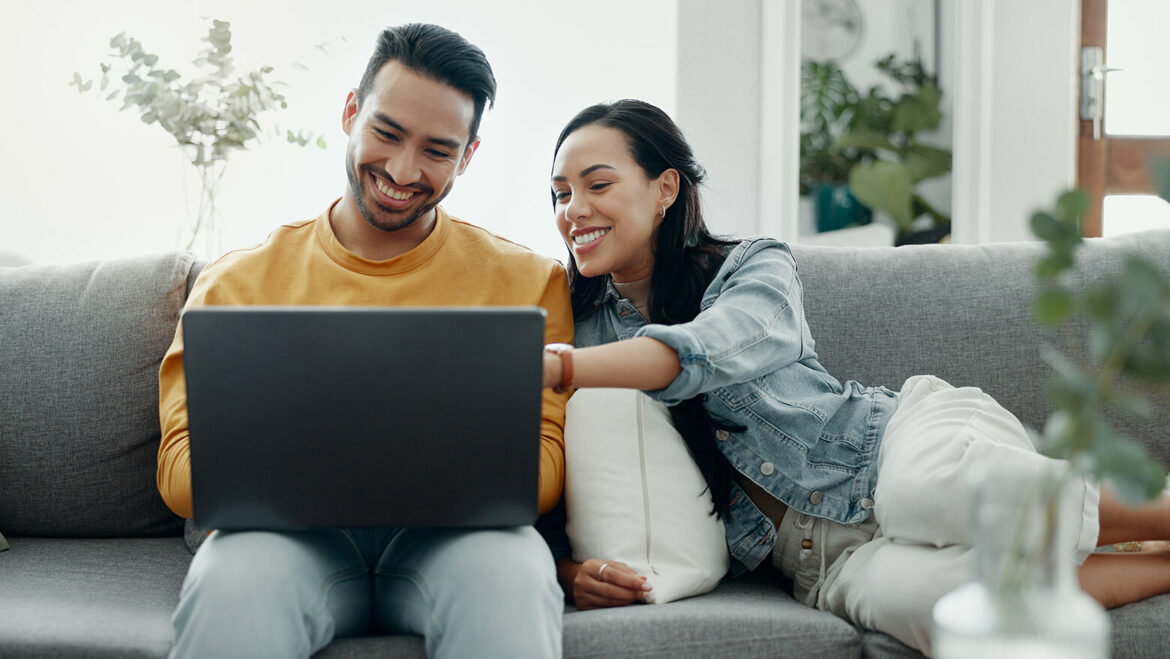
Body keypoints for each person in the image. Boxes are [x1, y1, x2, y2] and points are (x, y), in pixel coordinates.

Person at [537, 98, 1170, 653]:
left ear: (665, 188)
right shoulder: (571, 323)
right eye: (561, 193)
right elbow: (546, 493)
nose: (574, 211)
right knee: (940, 609)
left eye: (597, 185)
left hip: (892, 445)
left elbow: (701, 352)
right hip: (824, 561)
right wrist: (572, 575)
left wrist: (560, 368)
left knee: (927, 495)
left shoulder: (753, 268)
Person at [157, 24, 571, 659]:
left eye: (438, 150)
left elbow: (541, 467)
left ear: (467, 156)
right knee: (231, 586)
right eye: (387, 133)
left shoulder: (528, 281)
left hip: (462, 543)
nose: (403, 171)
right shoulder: (235, 283)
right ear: (351, 112)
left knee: (512, 576)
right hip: (284, 543)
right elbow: (181, 473)